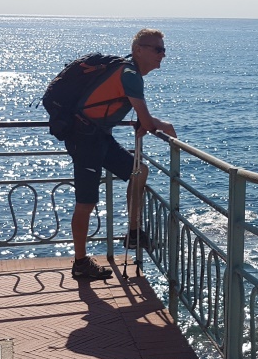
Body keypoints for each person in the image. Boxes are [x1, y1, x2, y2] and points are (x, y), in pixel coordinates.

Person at [65, 29, 176, 280]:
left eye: (164, 50)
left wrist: (146, 122)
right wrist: (163, 125)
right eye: (157, 49)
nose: (162, 55)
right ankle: (80, 263)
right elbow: (147, 122)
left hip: (98, 136)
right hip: (84, 139)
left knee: (139, 172)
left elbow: (137, 116)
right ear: (138, 50)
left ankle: (133, 234)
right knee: (86, 202)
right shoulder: (130, 74)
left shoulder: (128, 71)